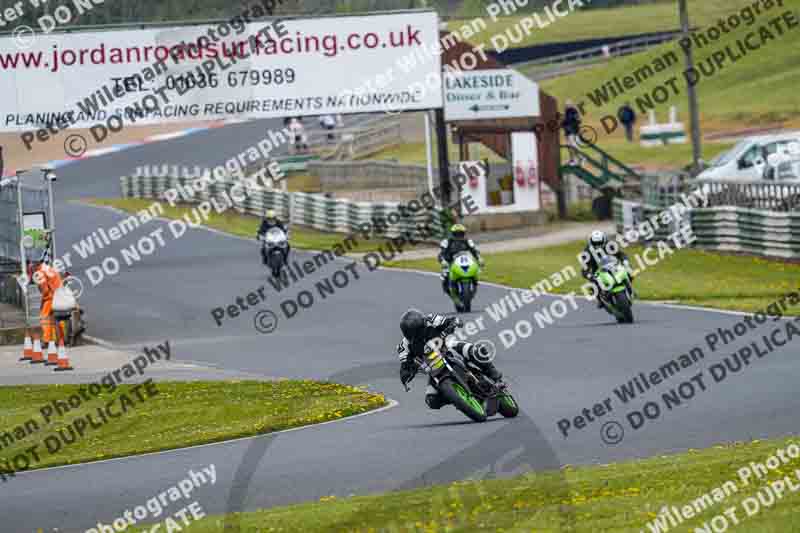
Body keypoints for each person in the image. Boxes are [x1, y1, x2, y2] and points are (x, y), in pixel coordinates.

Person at [397, 309, 502, 409]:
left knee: (475, 350)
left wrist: (453, 323)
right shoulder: (403, 346)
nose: (419, 335)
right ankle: (457, 398)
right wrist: (406, 375)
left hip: (448, 349)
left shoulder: (430, 319)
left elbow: (448, 321)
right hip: (433, 368)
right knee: (431, 400)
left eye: (420, 330)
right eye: (415, 334)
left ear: (423, 323)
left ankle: (495, 376)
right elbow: (404, 365)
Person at [580, 230, 633, 308]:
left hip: (613, 265)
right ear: (591, 242)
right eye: (595, 243)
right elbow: (584, 268)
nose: (597, 245)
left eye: (599, 243)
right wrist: (589, 275)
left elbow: (621, 254)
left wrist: (625, 262)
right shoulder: (587, 252)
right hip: (597, 269)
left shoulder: (610, 245)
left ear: (604, 240)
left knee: (629, 272)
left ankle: (630, 288)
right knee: (593, 285)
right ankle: (600, 300)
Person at [437, 223, 484, 295]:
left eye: (460, 233)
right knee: (446, 273)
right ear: (452, 234)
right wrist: (443, 261)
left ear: (464, 233)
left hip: (463, 260)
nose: (459, 236)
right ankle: (446, 286)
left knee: (475, 267)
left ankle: (475, 281)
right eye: (456, 234)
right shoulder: (447, 241)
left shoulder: (468, 241)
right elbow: (441, 254)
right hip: (450, 261)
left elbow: (474, 250)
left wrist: (479, 258)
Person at [562, 100, 582, 165]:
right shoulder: (566, 112)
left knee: (574, 146)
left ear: (571, 104)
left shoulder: (573, 111)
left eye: (568, 105)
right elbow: (564, 122)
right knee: (569, 146)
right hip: (568, 132)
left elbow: (579, 120)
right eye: (566, 105)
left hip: (573, 132)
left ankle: (580, 158)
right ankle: (572, 159)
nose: (566, 106)